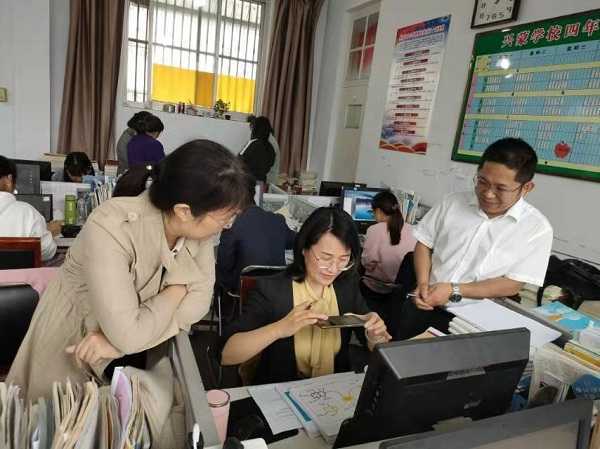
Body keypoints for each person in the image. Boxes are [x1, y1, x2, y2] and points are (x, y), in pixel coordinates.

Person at [7, 140, 252, 401]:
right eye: (226, 218)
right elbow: (135, 330)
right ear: (184, 211)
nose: (228, 226)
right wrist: (177, 290)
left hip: (129, 348)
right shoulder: (112, 225)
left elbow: (198, 306)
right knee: (58, 424)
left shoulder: (199, 232)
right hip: (74, 343)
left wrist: (119, 342)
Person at [221, 207, 391, 385]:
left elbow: (374, 346)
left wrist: (374, 335)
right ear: (304, 249)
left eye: (343, 259)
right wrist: (279, 328)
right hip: (282, 391)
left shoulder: (345, 286)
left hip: (333, 389)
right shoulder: (272, 290)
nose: (334, 269)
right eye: (325, 258)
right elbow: (226, 353)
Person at [405, 138, 553, 335]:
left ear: (526, 187)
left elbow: (512, 284)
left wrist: (454, 290)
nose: (488, 194)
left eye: (501, 188)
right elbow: (424, 243)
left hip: (470, 324)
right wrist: (423, 283)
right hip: (423, 304)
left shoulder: (536, 228)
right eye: (482, 181)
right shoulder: (453, 202)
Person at [216, 176, 296, 294]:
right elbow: (295, 241)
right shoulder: (277, 220)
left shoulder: (233, 224)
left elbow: (224, 265)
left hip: (243, 291)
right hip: (276, 290)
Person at [361, 190, 416, 305]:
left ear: (379, 211)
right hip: (402, 290)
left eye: (373, 212)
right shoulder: (413, 230)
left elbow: (368, 263)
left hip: (379, 288)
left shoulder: (374, 230)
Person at [0, 156, 59, 261]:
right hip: (17, 277)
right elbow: (47, 251)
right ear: (9, 180)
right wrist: (50, 233)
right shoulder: (27, 213)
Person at [239, 116, 275, 183]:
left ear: (255, 128)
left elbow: (239, 161)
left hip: (246, 182)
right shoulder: (270, 147)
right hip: (261, 183)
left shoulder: (253, 143)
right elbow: (270, 164)